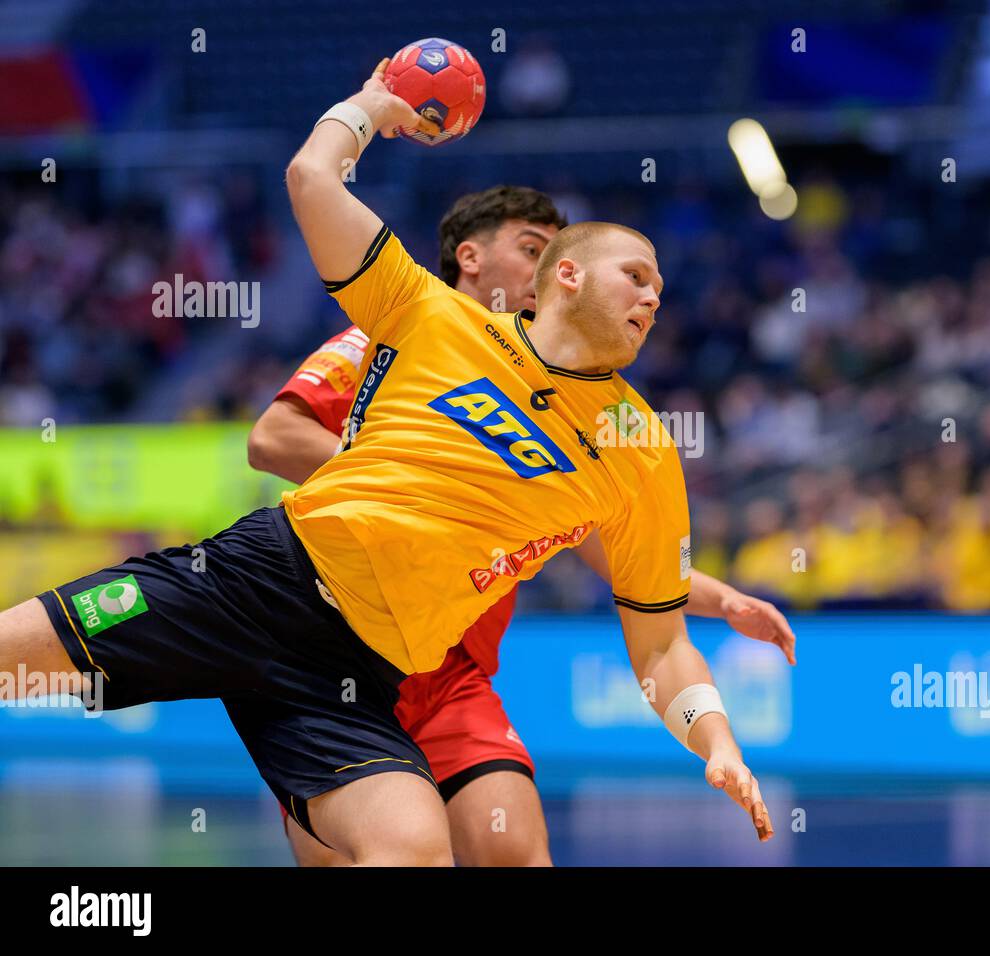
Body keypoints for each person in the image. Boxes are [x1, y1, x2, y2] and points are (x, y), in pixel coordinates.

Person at [0, 59, 774, 865]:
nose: (654, 298)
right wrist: (372, 106)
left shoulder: (640, 448)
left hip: (354, 669)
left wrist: (714, 738)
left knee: (413, 852)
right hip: (254, 582)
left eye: (661, 289)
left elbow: (657, 641)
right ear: (566, 276)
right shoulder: (428, 315)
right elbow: (311, 179)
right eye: (638, 276)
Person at [250, 184, 797, 866]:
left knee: (515, 853)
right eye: (529, 249)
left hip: (453, 675)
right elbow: (272, 436)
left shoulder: (579, 403)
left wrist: (717, 598)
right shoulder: (396, 323)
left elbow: (607, 543)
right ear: (470, 259)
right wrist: (417, 498)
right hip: (334, 653)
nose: (542, 268)